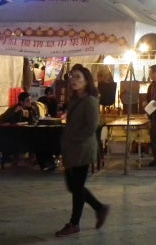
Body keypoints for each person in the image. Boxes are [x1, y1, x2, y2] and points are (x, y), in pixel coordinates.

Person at [55, 64, 109, 237]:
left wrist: (74, 138)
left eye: (78, 77)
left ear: (87, 81)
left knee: (77, 187)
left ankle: (74, 223)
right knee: (73, 186)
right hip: (72, 148)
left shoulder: (90, 101)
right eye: (72, 76)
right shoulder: (75, 99)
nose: (73, 80)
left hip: (82, 149)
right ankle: (100, 208)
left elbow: (91, 126)